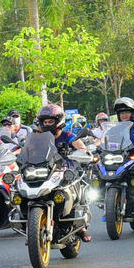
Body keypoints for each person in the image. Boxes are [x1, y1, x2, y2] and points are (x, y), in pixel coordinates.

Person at [33, 103, 91, 241]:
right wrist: (12, 154)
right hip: (44, 170)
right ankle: (32, 226)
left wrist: (82, 151)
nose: (47, 124)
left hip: (64, 169)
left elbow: (80, 146)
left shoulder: (67, 136)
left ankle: (80, 226)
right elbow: (25, 149)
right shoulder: (37, 137)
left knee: (75, 185)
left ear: (58, 122)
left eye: (50, 121)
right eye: (45, 122)